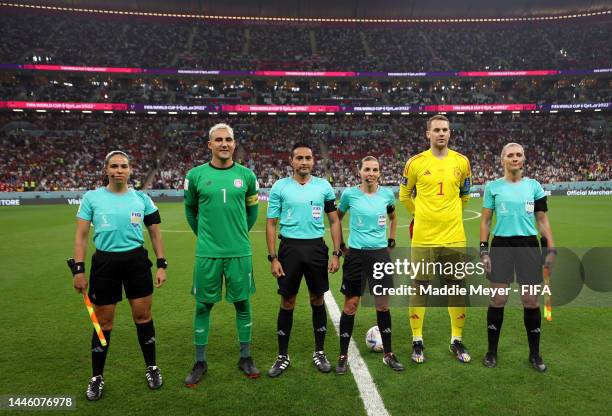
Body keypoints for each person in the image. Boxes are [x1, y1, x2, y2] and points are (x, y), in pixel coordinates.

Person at [72, 150, 167, 401]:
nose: (118, 170)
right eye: (114, 166)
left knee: (143, 316)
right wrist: (79, 270)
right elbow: (81, 236)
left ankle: (152, 367)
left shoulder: (142, 199)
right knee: (103, 323)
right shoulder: (92, 198)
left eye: (123, 166)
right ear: (106, 169)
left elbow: (155, 232)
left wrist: (161, 263)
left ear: (130, 170)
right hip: (105, 263)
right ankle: (97, 377)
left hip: (136, 261)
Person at [183, 123, 260, 385]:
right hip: (208, 253)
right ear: (210, 145)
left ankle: (245, 357)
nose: (224, 144)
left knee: (242, 303)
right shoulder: (195, 176)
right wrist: (206, 237)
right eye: (218, 140)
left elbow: (252, 214)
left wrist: (237, 235)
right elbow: (190, 211)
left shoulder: (247, 176)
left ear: (234, 144)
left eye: (228, 139)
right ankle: (200, 361)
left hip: (239, 251)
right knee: (203, 305)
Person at [399, 114, 472, 364]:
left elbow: (465, 195)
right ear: (427, 134)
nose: (441, 133)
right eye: (436, 130)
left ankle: (456, 339)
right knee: (420, 286)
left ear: (450, 133)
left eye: (445, 129)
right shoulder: (415, 163)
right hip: (423, 238)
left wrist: (450, 217)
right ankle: (417, 339)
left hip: (454, 237)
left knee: (456, 287)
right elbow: (405, 195)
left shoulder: (462, 162)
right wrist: (420, 215)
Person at [266, 142, 342, 377]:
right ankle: (282, 356)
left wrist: (336, 252)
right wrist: (273, 257)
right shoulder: (280, 186)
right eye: (299, 158)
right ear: (291, 161)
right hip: (289, 248)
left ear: (313, 161)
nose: (304, 162)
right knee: (288, 301)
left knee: (317, 299)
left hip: (316, 248)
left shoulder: (323, 186)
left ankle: (319, 352)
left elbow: (334, 220)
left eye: (308, 158)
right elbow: (271, 223)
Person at [480, 142, 556, 372]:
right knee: (497, 300)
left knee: (530, 301)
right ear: (502, 159)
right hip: (501, 245)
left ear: (524, 159)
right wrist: (484, 250)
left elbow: (542, 220)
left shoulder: (534, 186)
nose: (515, 158)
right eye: (510, 155)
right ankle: (492, 351)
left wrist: (551, 248)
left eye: (519, 155)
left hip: (528, 246)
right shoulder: (492, 187)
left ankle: (535, 354)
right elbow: (485, 221)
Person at [335, 156, 405, 374]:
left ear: (379, 172)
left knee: (382, 305)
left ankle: (388, 354)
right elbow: (336, 219)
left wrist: (391, 241)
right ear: (360, 171)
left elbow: (394, 217)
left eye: (375, 169)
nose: (371, 173)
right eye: (367, 169)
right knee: (351, 305)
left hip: (379, 255)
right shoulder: (349, 194)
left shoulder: (386, 194)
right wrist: (340, 246)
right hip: (355, 256)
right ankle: (343, 355)